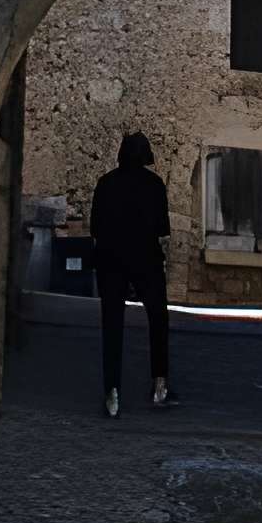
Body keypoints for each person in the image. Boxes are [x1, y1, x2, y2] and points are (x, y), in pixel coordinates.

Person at [88, 131, 172, 417]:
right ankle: (160, 382)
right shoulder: (155, 185)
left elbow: (95, 228)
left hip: (111, 260)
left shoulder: (106, 184)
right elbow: (163, 229)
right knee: (158, 319)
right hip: (146, 259)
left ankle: (112, 390)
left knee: (112, 325)